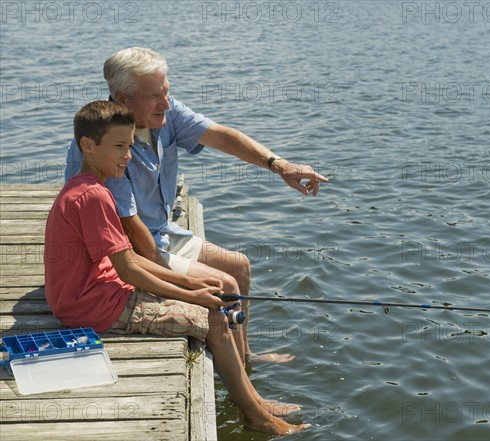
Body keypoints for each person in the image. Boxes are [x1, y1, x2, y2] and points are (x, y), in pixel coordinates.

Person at [45, 101, 310, 435]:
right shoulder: (93, 197)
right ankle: (254, 414)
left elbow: (131, 260)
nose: (127, 156)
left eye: (129, 146)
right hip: (92, 306)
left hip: (97, 291)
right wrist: (195, 295)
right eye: (118, 147)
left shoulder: (87, 187)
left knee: (215, 299)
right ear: (87, 146)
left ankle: (254, 399)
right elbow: (128, 270)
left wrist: (191, 287)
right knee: (215, 319)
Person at [64, 47, 329, 365]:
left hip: (160, 231)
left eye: (167, 91)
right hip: (127, 252)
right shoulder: (109, 148)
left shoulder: (164, 111)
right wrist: (186, 284)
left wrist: (278, 164)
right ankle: (241, 384)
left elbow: (220, 135)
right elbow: (132, 236)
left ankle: (244, 358)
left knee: (238, 265)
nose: (166, 102)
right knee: (224, 285)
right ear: (122, 97)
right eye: (154, 96)